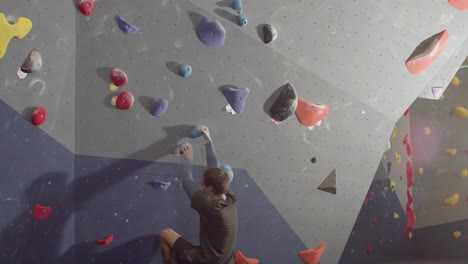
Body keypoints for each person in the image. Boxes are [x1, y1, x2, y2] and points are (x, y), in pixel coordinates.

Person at [159, 126, 238, 264]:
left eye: (202, 185)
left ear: (210, 189)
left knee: (165, 234)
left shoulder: (210, 206)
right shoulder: (229, 199)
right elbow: (215, 168)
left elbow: (187, 182)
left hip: (206, 261)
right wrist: (208, 139)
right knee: (225, 169)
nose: (200, 187)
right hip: (226, 261)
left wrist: (188, 159)